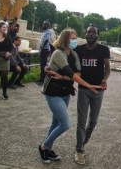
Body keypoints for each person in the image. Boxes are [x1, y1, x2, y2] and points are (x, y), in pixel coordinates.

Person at [39, 29, 103, 164]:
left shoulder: (74, 53)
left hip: (65, 92)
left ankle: (48, 149)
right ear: (64, 39)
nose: (74, 40)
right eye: (71, 38)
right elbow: (72, 74)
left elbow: (78, 73)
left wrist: (62, 76)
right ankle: (43, 146)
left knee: (55, 123)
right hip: (53, 91)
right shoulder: (58, 53)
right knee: (65, 124)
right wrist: (89, 85)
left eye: (75, 37)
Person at [74, 26, 110, 165]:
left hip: (98, 90)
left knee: (93, 122)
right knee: (81, 122)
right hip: (83, 89)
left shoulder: (103, 50)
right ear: (85, 34)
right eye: (88, 31)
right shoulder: (79, 50)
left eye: (93, 32)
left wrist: (104, 79)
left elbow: (107, 67)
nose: (90, 34)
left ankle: (82, 143)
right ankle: (79, 151)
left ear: (97, 35)